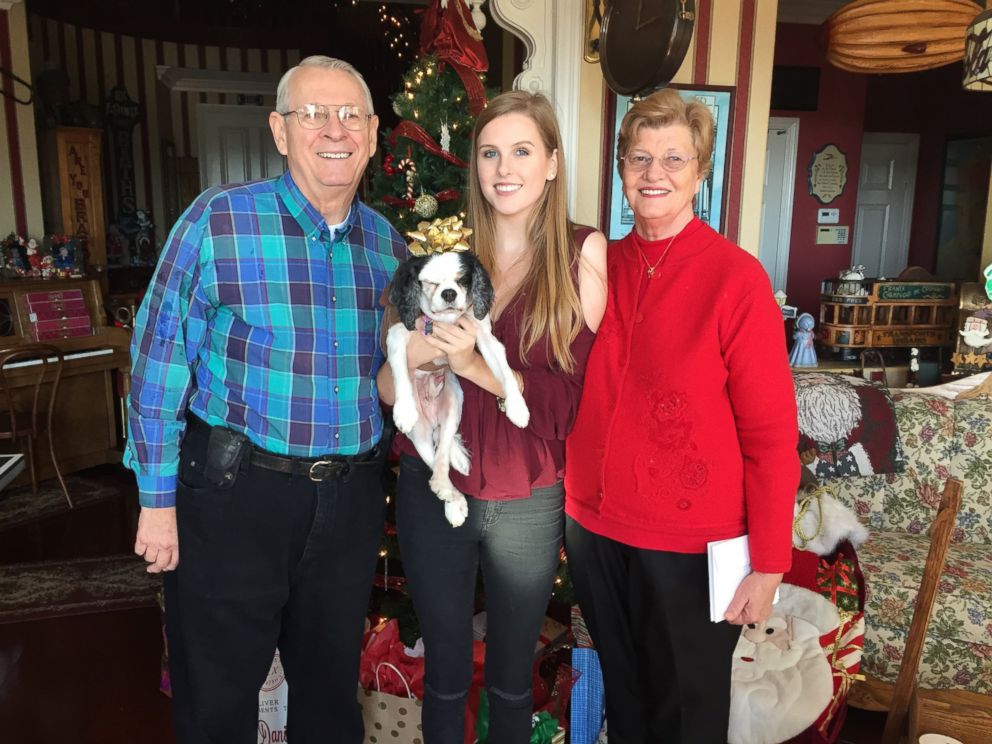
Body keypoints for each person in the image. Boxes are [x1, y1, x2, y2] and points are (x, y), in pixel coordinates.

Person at [125, 56, 406, 743]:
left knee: (329, 698)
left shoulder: (389, 248)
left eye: (350, 116)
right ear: (281, 131)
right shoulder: (218, 222)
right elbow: (158, 363)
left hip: (347, 504)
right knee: (217, 696)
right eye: (314, 114)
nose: (333, 130)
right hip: (233, 498)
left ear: (372, 135)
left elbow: (395, 378)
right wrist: (156, 503)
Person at [564, 88, 800, 744]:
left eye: (675, 157)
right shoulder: (595, 265)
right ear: (621, 169)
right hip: (594, 528)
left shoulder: (736, 279)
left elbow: (772, 435)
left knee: (688, 716)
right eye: (640, 157)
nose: (654, 173)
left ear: (702, 172)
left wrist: (771, 559)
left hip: (694, 546)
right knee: (628, 703)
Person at [377, 91, 607, 743]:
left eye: (522, 151)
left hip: (528, 500)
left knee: (510, 681)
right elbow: (390, 388)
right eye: (489, 153)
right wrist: (425, 348)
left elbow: (574, 405)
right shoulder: (440, 259)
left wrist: (476, 366)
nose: (504, 168)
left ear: (553, 163)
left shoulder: (583, 257)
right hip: (435, 488)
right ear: (475, 165)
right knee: (445, 677)